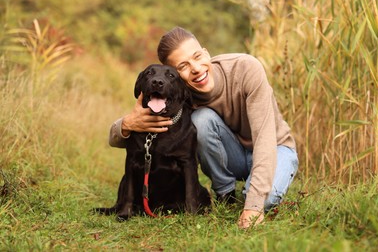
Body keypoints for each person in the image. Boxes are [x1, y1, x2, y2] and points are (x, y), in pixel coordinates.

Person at [109, 27, 299, 229]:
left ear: (206, 52)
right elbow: (117, 139)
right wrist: (127, 124)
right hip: (234, 156)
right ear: (176, 78)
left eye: (198, 56)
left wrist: (253, 205)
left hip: (275, 149)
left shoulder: (246, 69)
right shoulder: (180, 96)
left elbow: (264, 139)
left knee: (265, 200)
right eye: (183, 66)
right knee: (201, 119)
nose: (197, 69)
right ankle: (225, 194)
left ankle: (251, 193)